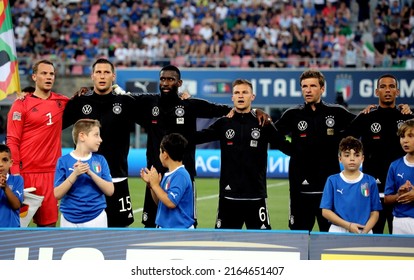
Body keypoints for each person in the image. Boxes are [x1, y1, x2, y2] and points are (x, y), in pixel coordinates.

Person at [137, 65, 270, 228]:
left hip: (182, 173)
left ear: (179, 83)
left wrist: (255, 111)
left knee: (185, 223)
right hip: (155, 173)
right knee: (150, 225)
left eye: (170, 79)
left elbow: (228, 109)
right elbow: (126, 101)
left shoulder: (190, 104)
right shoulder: (149, 102)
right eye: (162, 79)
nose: (165, 83)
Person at [195, 79, 291, 229]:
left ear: (252, 96)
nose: (240, 96)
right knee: (225, 246)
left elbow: (285, 146)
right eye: (237, 93)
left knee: (263, 244)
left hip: (256, 196)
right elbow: (197, 137)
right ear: (232, 97)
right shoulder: (224, 123)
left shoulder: (263, 123)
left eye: (245, 92)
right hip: (228, 196)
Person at [62, 58, 142, 227]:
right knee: (84, 231)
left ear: (113, 76)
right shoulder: (80, 101)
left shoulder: (126, 102)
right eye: (98, 72)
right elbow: (54, 121)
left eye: (106, 72)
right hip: (85, 176)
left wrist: (182, 98)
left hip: (116, 176)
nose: (102, 76)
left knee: (118, 230)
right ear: (92, 76)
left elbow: (152, 108)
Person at [274, 69, 356, 232]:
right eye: (304, 86)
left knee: (330, 236)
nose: (308, 90)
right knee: (300, 236)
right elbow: (273, 134)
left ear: (322, 89)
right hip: (300, 187)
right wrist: (292, 150)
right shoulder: (293, 114)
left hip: (329, 187)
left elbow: (360, 125)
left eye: (312, 86)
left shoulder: (336, 112)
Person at [345, 74, 414, 234]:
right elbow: (345, 138)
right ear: (377, 91)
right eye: (383, 87)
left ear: (397, 91)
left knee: (399, 241)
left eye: (391, 87)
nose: (387, 90)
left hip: (401, 190)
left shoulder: (407, 118)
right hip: (372, 188)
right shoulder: (368, 116)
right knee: (371, 239)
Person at [6, 59, 69, 227]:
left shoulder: (61, 102)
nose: (48, 77)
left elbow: (85, 105)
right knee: (16, 226)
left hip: (50, 174)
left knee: (48, 226)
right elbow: (12, 140)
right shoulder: (21, 105)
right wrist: (15, 172)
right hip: (25, 174)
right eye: (44, 73)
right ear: (34, 77)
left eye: (51, 74)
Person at [54, 119, 114, 228]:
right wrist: (75, 174)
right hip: (69, 219)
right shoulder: (63, 161)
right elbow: (57, 194)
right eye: (96, 135)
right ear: (82, 136)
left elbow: (110, 191)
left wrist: (90, 172)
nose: (100, 140)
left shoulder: (100, 160)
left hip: (96, 217)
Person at [320, 136, 382, 234]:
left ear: (362, 158)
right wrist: (348, 226)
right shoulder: (332, 180)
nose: (352, 159)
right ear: (340, 158)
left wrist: (365, 231)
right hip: (338, 230)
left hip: (364, 230)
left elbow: (375, 212)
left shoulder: (370, 181)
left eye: (356, 155)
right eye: (347, 155)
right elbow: (325, 211)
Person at [140, 133, 194, 228]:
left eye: (160, 152)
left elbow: (170, 202)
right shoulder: (169, 174)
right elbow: (161, 201)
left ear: (165, 155)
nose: (159, 155)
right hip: (168, 230)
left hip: (178, 231)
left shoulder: (180, 175)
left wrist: (156, 185)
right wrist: (152, 185)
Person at [384, 119, 414, 235]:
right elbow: (387, 199)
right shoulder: (395, 165)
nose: (405, 140)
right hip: (399, 222)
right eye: (402, 136)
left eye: (410, 136)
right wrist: (399, 195)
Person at [0, 144, 24, 227]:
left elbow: (16, 205)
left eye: (4, 160)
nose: (1, 164)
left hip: (12, 231)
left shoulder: (17, 180)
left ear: (11, 163)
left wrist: (5, 187)